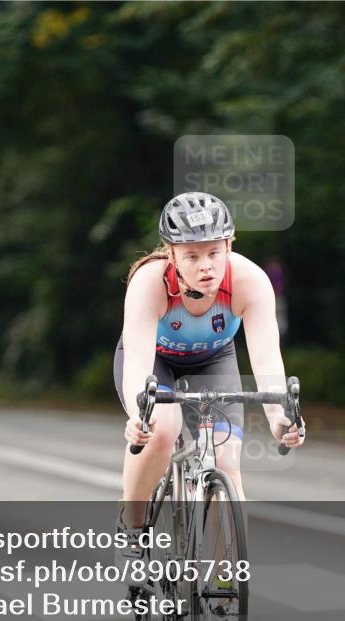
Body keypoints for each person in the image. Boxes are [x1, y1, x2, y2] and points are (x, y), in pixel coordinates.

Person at [113, 191, 306, 569]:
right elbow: (137, 359)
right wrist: (140, 415)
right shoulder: (148, 283)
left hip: (214, 361)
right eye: (192, 255)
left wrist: (279, 418)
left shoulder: (250, 281)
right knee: (162, 430)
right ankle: (132, 527)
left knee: (226, 457)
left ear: (229, 245)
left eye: (215, 252)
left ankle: (225, 595)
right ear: (171, 255)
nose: (206, 266)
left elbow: (266, 359)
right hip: (155, 362)